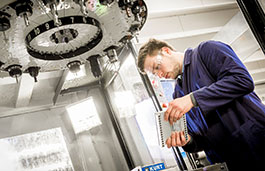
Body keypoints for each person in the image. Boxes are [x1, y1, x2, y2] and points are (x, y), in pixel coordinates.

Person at [137, 38, 265, 171]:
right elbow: (201, 140)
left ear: (166, 51)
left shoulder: (206, 51)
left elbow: (242, 80)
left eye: (157, 67)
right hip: (227, 162)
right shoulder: (178, 94)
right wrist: (187, 140)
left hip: (256, 144)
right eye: (155, 74)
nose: (160, 75)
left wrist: (193, 99)